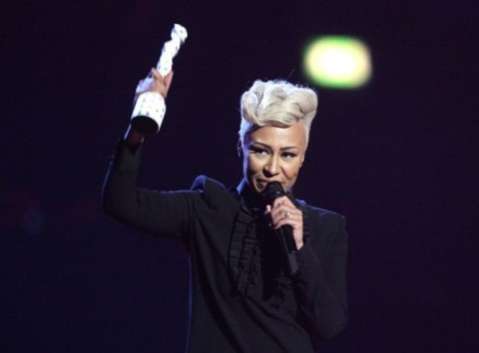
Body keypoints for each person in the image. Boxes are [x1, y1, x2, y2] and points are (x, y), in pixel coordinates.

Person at [102, 68, 349, 353]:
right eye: (261, 151)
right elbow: (119, 203)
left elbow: (329, 325)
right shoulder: (206, 208)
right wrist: (138, 129)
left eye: (288, 155)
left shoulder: (324, 227)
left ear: (303, 158)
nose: (272, 168)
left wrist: (300, 248)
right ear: (240, 148)